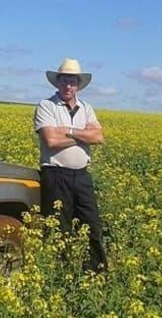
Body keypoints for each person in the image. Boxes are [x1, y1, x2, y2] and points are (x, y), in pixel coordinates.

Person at [33, 58, 107, 271]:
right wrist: (85, 135)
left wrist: (69, 131)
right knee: (59, 227)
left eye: (72, 82)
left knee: (92, 225)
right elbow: (51, 141)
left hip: (82, 175)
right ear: (57, 82)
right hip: (56, 176)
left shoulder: (86, 108)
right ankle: (60, 273)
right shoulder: (46, 106)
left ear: (78, 85)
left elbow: (99, 137)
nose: (68, 86)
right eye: (64, 81)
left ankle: (96, 272)